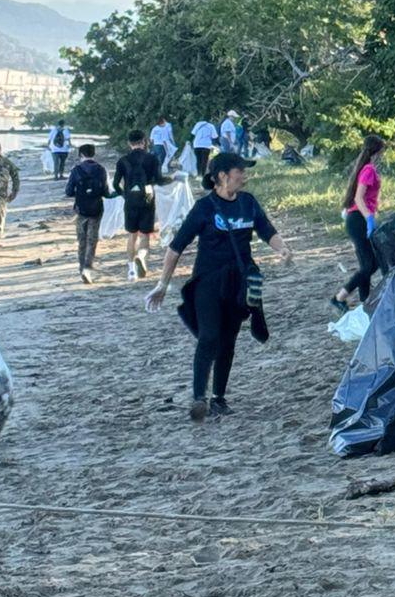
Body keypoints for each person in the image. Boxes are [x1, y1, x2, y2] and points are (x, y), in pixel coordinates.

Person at [146, 151, 290, 421]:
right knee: (209, 336)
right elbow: (176, 247)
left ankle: (219, 398)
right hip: (208, 281)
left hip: (238, 283)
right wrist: (162, 284)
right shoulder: (204, 208)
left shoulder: (248, 202)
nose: (244, 176)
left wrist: (282, 248)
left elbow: (266, 229)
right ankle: (199, 397)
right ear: (223, 176)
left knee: (228, 340)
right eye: (240, 171)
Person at [330, 134, 385, 314]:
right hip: (358, 219)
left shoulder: (365, 168)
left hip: (358, 218)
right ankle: (339, 297)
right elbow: (358, 198)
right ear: (378, 152)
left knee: (367, 265)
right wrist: (369, 218)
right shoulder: (368, 169)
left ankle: (365, 302)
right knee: (370, 265)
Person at [113, 129, 163, 281]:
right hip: (147, 195)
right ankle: (141, 256)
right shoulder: (152, 158)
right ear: (144, 142)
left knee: (132, 234)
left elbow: (116, 184)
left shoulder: (122, 161)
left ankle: (131, 270)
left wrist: (124, 195)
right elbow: (159, 180)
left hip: (130, 198)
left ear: (129, 143)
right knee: (145, 235)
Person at [65, 143, 112, 284]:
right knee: (92, 240)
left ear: (81, 155)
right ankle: (87, 268)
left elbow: (68, 192)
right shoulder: (101, 169)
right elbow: (106, 192)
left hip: (81, 209)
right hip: (96, 209)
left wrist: (79, 193)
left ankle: (81, 268)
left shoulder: (76, 170)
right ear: (93, 154)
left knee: (82, 241)